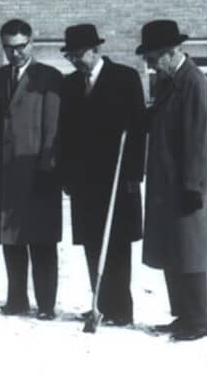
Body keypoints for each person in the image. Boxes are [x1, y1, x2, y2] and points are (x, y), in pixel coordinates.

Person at [59, 23, 146, 326]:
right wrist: (66, 176)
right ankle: (100, 302)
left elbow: (138, 129)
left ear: (96, 50)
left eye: (79, 54)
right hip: (84, 182)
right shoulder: (69, 85)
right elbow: (64, 133)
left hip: (117, 178)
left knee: (117, 243)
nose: (74, 60)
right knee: (92, 242)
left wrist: (134, 174)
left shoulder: (125, 78)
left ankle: (121, 309)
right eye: (70, 55)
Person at [137, 19, 207, 341]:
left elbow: (200, 141)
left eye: (153, 58)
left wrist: (192, 187)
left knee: (191, 251)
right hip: (166, 183)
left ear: (170, 52)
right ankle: (182, 315)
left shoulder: (195, 84)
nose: (150, 65)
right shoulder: (169, 81)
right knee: (173, 250)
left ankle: (199, 320)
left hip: (186, 186)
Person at [0, 18, 63, 320]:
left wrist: (49, 167)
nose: (15, 53)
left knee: (41, 242)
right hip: (7, 172)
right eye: (9, 48)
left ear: (32, 43)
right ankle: (16, 299)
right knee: (11, 241)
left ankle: (46, 304)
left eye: (21, 46)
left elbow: (53, 126)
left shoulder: (49, 77)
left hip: (38, 172)